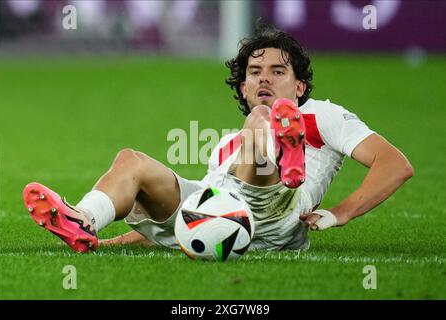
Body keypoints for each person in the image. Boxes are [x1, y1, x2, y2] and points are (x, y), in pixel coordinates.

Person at [23, 21, 414, 253]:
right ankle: (85, 220)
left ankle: (286, 160)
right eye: (255, 71)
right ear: (242, 87)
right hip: (224, 211)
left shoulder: (324, 114)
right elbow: (202, 222)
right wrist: (112, 247)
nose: (264, 77)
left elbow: (395, 164)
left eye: (279, 71)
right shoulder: (227, 145)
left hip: (276, 211)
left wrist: (340, 212)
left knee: (263, 121)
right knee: (132, 161)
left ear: (300, 87)